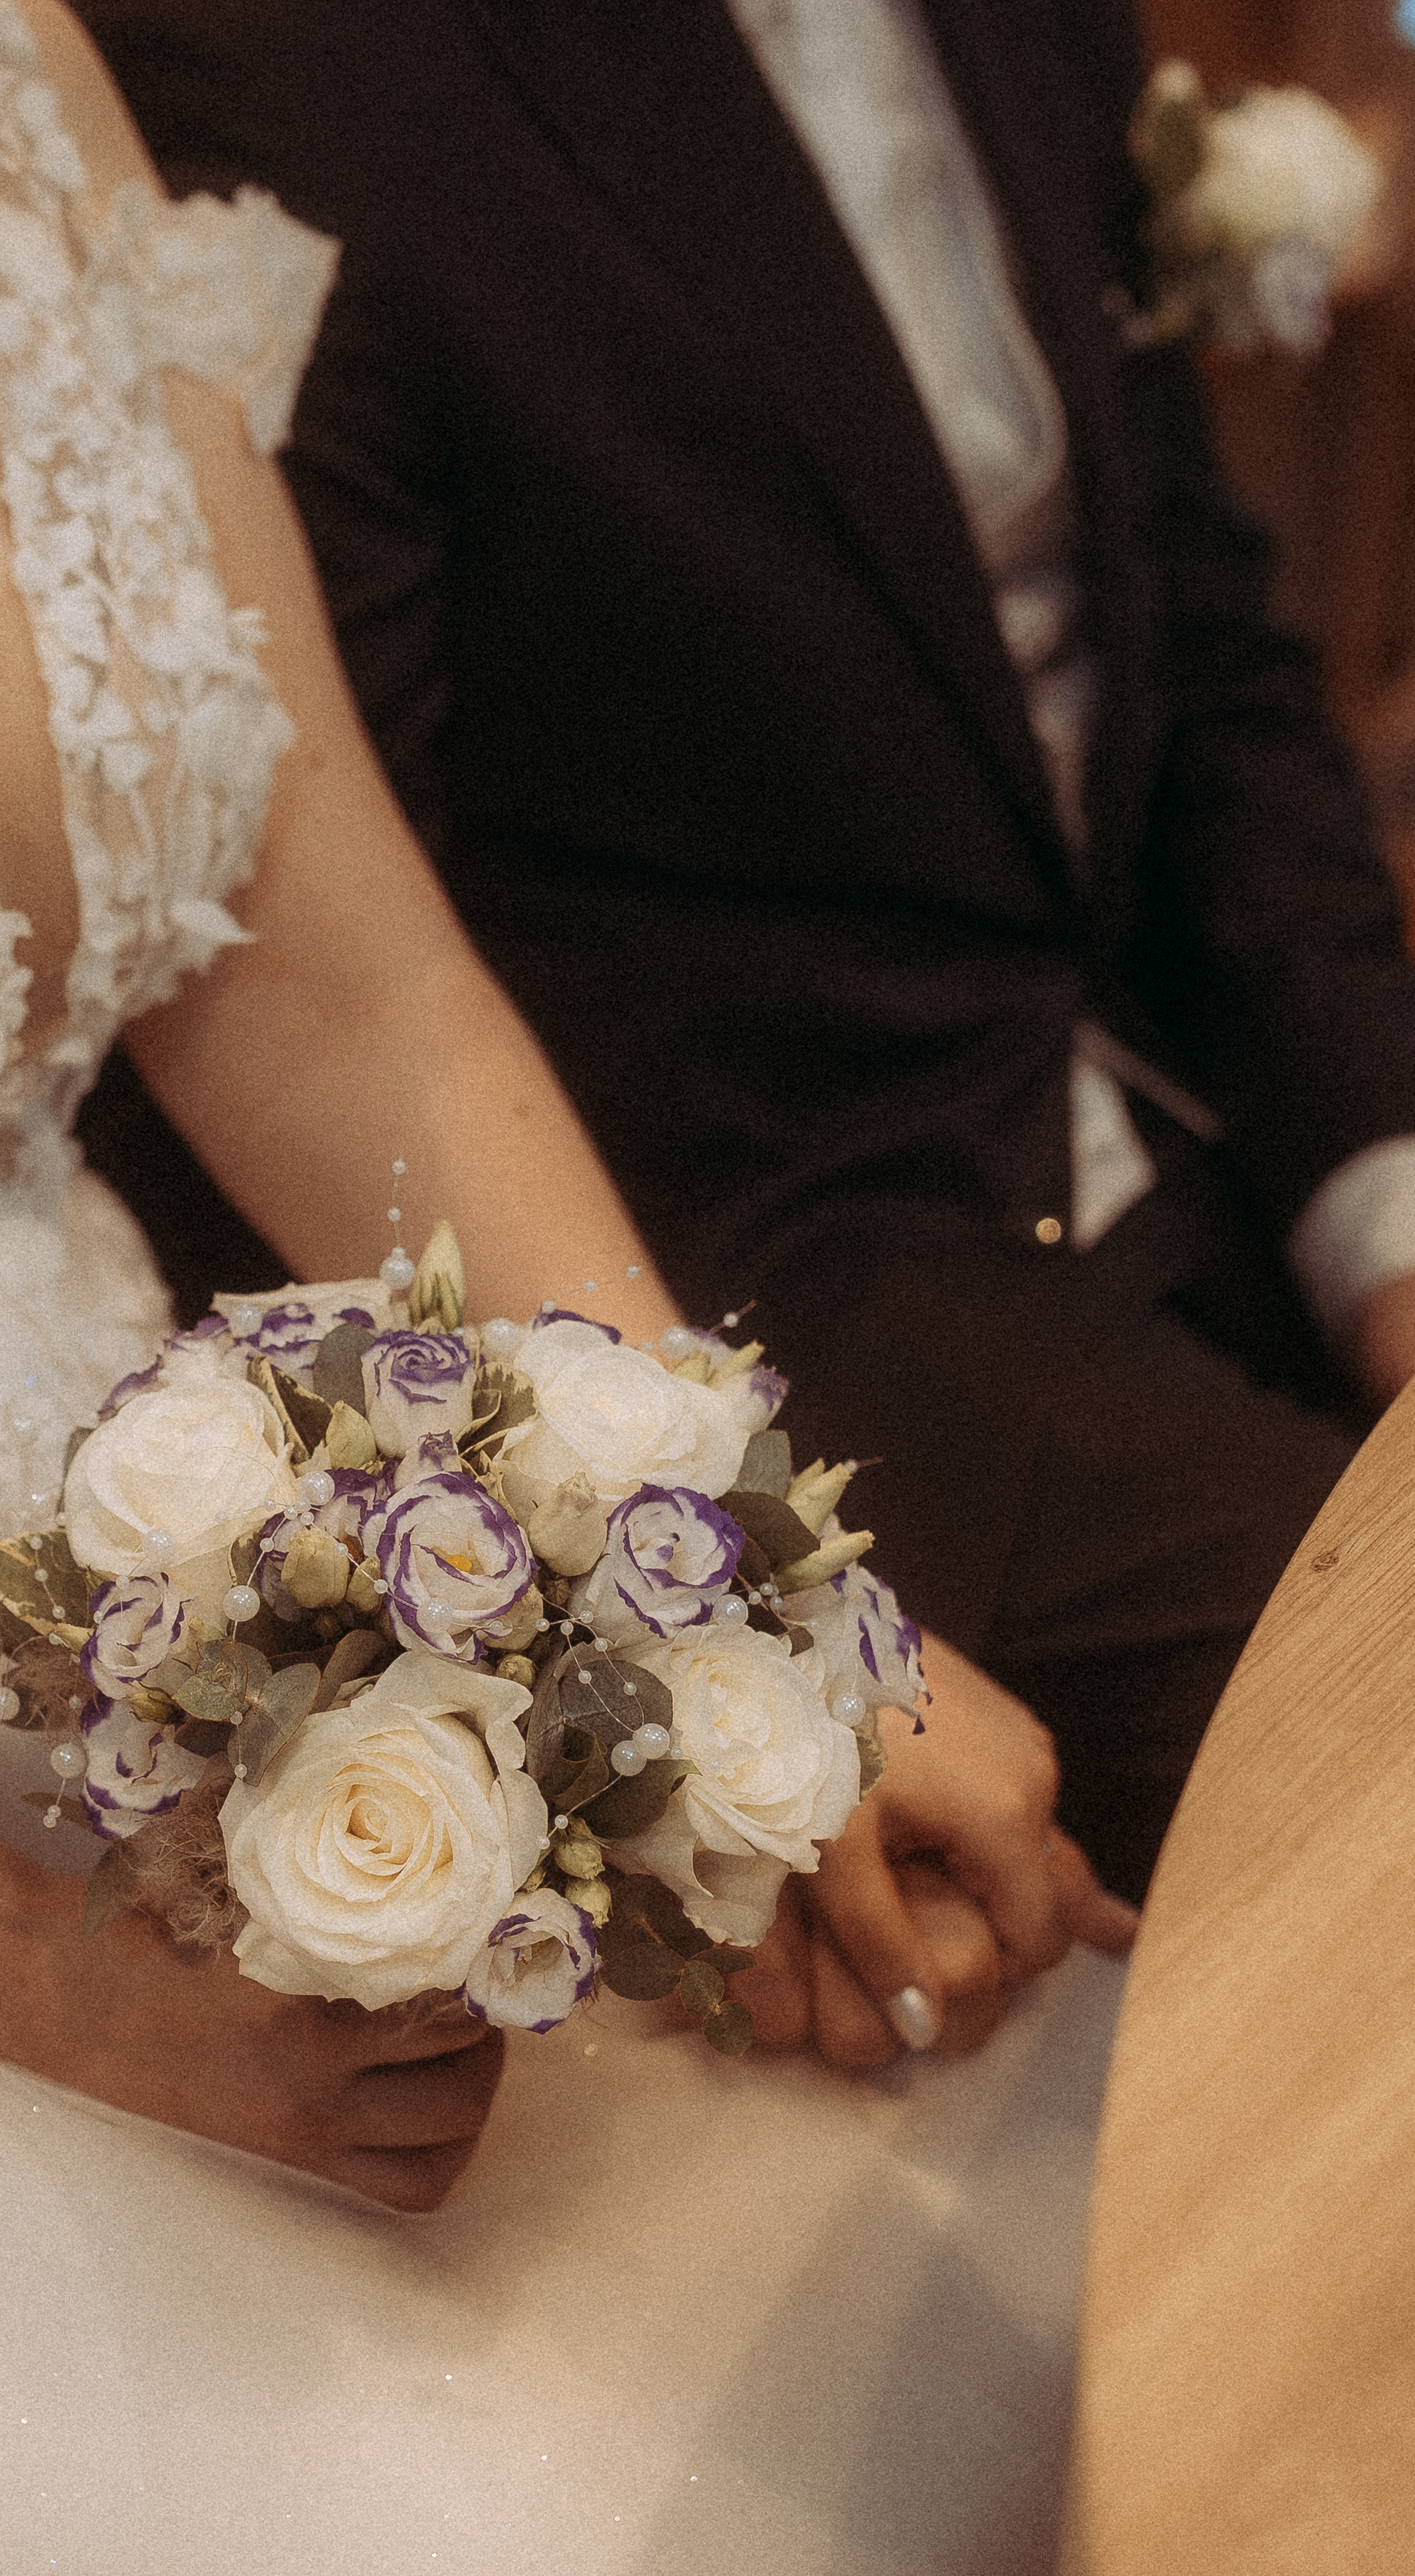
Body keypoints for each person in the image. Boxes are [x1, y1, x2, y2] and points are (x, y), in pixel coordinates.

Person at [0, 2, 1124, 2576]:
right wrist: (50, 1987)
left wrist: (730, 1603)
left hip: (208, 1683)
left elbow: (324, 970)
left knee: (1050, 2344)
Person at [83, 0, 1415, 1921]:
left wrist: (1382, 1215)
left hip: (1172, 1113)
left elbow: (1198, 647)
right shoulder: (274, 63)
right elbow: (311, 961)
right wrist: (691, 1591)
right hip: (772, 1275)